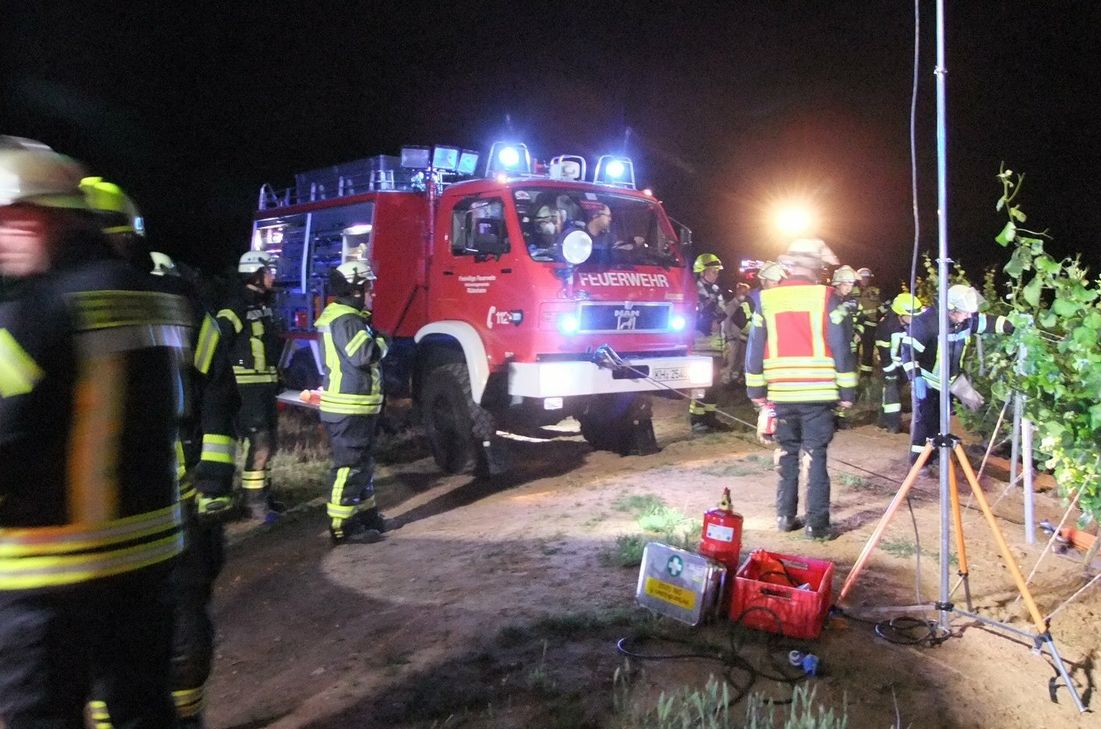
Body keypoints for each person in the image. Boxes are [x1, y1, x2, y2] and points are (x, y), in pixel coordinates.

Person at [0, 138, 186, 726]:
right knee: (142, 711)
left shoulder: (34, 309)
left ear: (40, 217)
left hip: (47, 571)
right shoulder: (156, 298)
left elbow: (7, 433)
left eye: (5, 223)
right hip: (148, 556)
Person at [81, 177, 238, 728]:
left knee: (161, 630)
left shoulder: (176, 308)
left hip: (162, 505)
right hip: (127, 514)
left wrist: (215, 472)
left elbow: (217, 386)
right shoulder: (54, 311)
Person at [745, 238, 856, 539]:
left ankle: (784, 516)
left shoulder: (766, 300)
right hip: (819, 395)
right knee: (815, 456)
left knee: (787, 453)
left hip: (781, 394)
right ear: (817, 268)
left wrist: (756, 392)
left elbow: (754, 349)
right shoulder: (827, 297)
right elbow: (842, 348)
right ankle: (817, 527)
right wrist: (847, 394)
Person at [315, 262, 398, 544]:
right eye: (368, 287)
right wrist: (384, 341)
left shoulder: (349, 316)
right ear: (355, 289)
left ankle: (366, 516)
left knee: (362, 466)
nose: (372, 292)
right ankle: (342, 526)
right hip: (348, 407)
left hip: (356, 407)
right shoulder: (347, 319)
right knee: (349, 467)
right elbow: (364, 354)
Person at [901, 284, 1013, 466]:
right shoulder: (926, 323)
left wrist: (1012, 325)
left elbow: (989, 323)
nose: (970, 316)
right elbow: (908, 353)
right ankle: (918, 463)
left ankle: (935, 456)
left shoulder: (965, 321)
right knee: (925, 423)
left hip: (949, 381)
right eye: (965, 312)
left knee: (941, 423)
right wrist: (917, 379)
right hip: (928, 383)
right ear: (950, 309)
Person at [217, 250, 285, 523]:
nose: (272, 276)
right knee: (260, 443)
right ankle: (254, 503)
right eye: (268, 271)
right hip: (248, 387)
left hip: (265, 385)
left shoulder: (263, 304)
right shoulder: (235, 307)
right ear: (256, 274)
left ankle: (263, 495)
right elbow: (219, 341)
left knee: (269, 442)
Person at [689, 252, 729, 433]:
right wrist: (708, 320)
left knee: (714, 385)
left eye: (716, 271)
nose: (715, 274)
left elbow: (722, 312)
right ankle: (697, 420)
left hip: (715, 347)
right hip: (700, 347)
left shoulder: (716, 291)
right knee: (700, 385)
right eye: (712, 271)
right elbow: (694, 316)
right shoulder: (693, 290)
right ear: (702, 272)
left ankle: (710, 418)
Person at [875, 293, 923, 433]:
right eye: (911, 316)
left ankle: (882, 420)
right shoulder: (886, 327)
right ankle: (892, 424)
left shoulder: (912, 325)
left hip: (906, 364)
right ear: (900, 315)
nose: (914, 320)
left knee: (896, 391)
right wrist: (890, 371)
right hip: (890, 364)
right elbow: (883, 352)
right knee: (892, 391)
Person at [830, 265, 861, 429]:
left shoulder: (846, 301)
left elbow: (856, 321)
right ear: (838, 283)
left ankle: (840, 416)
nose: (849, 287)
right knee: (836, 382)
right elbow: (832, 322)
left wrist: (858, 332)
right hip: (835, 348)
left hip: (847, 346)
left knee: (845, 381)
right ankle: (833, 418)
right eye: (846, 284)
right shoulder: (832, 301)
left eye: (851, 284)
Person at [855, 266, 885, 384]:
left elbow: (879, 306)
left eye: (867, 278)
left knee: (868, 352)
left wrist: (885, 315)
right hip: (855, 325)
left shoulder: (874, 291)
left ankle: (865, 376)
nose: (865, 280)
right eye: (863, 278)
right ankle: (852, 372)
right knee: (853, 351)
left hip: (870, 325)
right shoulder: (852, 290)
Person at [723, 281, 752, 385]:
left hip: (743, 337)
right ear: (737, 292)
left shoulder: (745, 305)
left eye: (746, 293)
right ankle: (726, 380)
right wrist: (729, 336)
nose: (744, 295)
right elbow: (726, 321)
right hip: (733, 338)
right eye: (742, 292)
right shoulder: (732, 305)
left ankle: (735, 379)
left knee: (740, 359)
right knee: (731, 360)